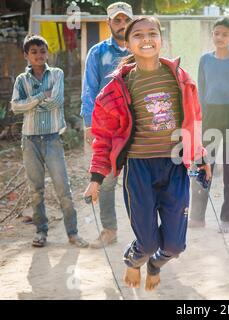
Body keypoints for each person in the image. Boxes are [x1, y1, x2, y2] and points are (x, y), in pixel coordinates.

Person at [83, 17, 211, 291]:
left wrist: (200, 155)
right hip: (138, 169)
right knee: (148, 241)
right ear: (128, 43)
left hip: (174, 166)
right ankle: (134, 261)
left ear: (161, 39)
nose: (146, 39)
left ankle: (154, 264)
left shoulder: (179, 77)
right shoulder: (117, 87)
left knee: (176, 245)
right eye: (138, 35)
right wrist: (96, 177)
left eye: (152, 33)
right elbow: (103, 135)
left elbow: (194, 119)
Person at [10, 35, 88, 248]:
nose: (39, 55)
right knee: (36, 190)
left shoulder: (56, 74)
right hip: (30, 140)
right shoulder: (21, 80)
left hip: (52, 139)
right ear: (26, 55)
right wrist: (38, 97)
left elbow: (56, 101)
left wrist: (32, 104)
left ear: (48, 53)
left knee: (63, 188)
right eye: (33, 52)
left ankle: (73, 233)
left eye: (42, 51)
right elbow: (15, 106)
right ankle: (41, 232)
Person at [189, 17, 229, 233]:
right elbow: (200, 90)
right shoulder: (205, 60)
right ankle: (197, 216)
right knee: (204, 165)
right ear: (212, 35)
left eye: (225, 34)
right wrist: (200, 118)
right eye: (216, 33)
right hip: (209, 115)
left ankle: (226, 217)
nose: (220, 38)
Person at [80, 2, 133, 249]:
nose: (122, 25)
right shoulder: (98, 53)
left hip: (136, 126)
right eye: (117, 20)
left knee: (139, 179)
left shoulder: (141, 48)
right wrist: (89, 124)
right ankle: (109, 229)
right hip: (108, 128)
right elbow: (89, 89)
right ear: (109, 22)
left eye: (125, 20)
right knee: (107, 180)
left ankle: (145, 232)